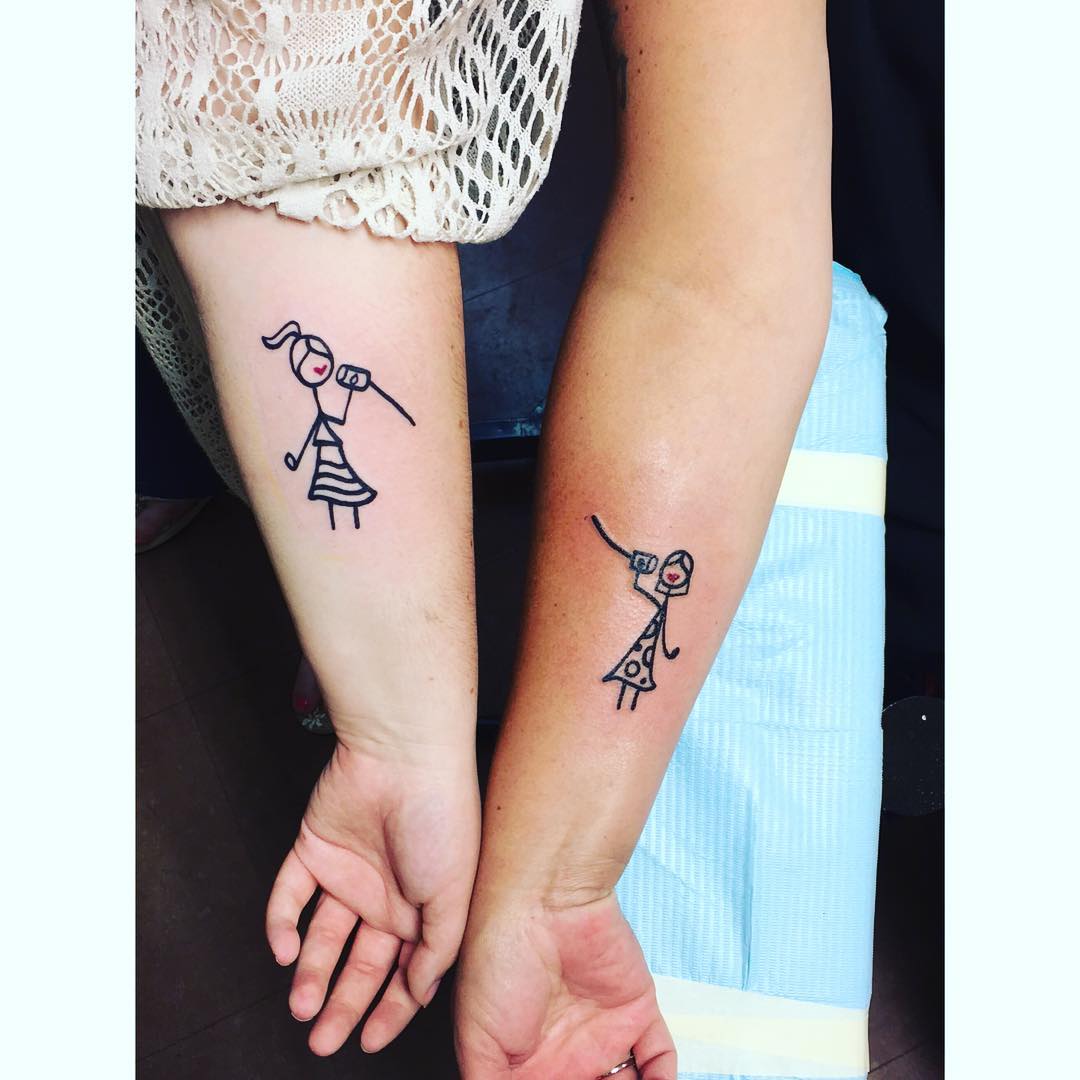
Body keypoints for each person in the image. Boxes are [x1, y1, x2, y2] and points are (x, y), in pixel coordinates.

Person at [137, 1, 836, 1075]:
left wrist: (559, 874)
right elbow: (268, 107)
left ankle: (355, 624)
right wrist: (398, 724)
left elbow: (719, 271)